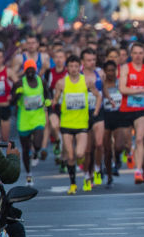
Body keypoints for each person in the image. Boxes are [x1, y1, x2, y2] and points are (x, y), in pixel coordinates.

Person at [53, 55, 102, 194]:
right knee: (70, 156)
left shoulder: (86, 81)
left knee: (80, 153)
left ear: (79, 67)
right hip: (67, 123)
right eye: (71, 66)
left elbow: (98, 96)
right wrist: (52, 107)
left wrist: (96, 112)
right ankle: (73, 184)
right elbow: (54, 101)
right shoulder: (61, 83)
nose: (74, 69)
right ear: (67, 68)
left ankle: (81, 164)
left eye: (76, 66)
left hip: (82, 123)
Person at [118, 43, 144, 184]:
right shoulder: (125, 68)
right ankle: (130, 152)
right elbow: (122, 89)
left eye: (140, 53)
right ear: (131, 54)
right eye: (135, 53)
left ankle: (139, 170)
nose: (138, 56)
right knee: (126, 142)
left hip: (142, 109)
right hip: (126, 110)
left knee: (140, 139)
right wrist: (142, 90)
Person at [11, 59, 50, 186]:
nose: (30, 72)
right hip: (24, 120)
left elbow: (47, 94)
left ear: (35, 70)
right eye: (28, 69)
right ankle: (29, 175)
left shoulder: (41, 81)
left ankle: (36, 151)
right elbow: (12, 102)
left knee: (37, 143)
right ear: (25, 71)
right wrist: (18, 94)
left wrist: (48, 101)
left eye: (32, 69)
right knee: (25, 147)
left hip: (38, 117)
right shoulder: (19, 84)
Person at [80, 48, 105, 189]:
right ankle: (87, 175)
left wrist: (109, 99)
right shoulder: (78, 75)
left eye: (94, 60)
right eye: (89, 60)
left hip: (98, 112)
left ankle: (97, 168)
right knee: (87, 150)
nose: (92, 62)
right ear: (83, 62)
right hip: (83, 114)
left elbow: (104, 90)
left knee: (99, 144)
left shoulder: (100, 73)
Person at [101, 60, 127, 187]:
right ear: (105, 72)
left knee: (118, 146)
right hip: (105, 117)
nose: (111, 73)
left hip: (119, 116)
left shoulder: (119, 83)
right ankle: (109, 176)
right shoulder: (101, 84)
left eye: (113, 70)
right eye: (108, 70)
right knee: (107, 150)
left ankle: (117, 160)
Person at [44, 49, 67, 167]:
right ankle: (57, 142)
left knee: (64, 134)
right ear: (53, 59)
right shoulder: (50, 73)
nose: (59, 60)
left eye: (61, 57)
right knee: (54, 125)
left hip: (66, 106)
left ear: (65, 59)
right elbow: (45, 89)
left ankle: (62, 157)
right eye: (56, 57)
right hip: (54, 105)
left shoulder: (69, 72)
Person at [0, 49, 15, 144]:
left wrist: (12, 95)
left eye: (0, 57)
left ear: (3, 58)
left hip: (4, 106)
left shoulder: (8, 72)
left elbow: (18, 85)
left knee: (5, 138)